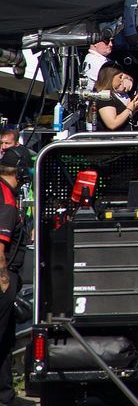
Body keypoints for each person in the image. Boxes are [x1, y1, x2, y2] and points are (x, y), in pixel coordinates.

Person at [0, 151, 29, 393]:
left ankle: (5, 393)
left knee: (6, 341)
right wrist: (5, 281)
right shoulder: (6, 198)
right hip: (4, 275)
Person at [92, 66, 138, 131]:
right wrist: (129, 109)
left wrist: (134, 107)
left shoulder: (115, 96)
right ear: (111, 77)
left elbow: (123, 118)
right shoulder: (104, 98)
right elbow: (112, 124)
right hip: (112, 139)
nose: (122, 80)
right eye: (120, 77)